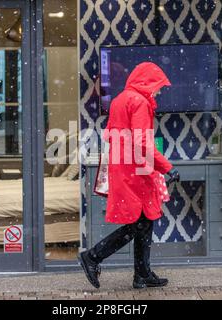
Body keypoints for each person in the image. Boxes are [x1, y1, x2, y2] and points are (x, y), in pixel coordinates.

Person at [78, 62, 180, 289]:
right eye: (158, 85)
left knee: (144, 220)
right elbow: (142, 142)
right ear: (147, 83)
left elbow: (114, 135)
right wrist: (166, 167)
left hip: (123, 167)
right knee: (139, 222)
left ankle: (142, 274)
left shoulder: (120, 99)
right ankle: (93, 256)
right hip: (136, 169)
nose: (159, 91)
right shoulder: (140, 102)